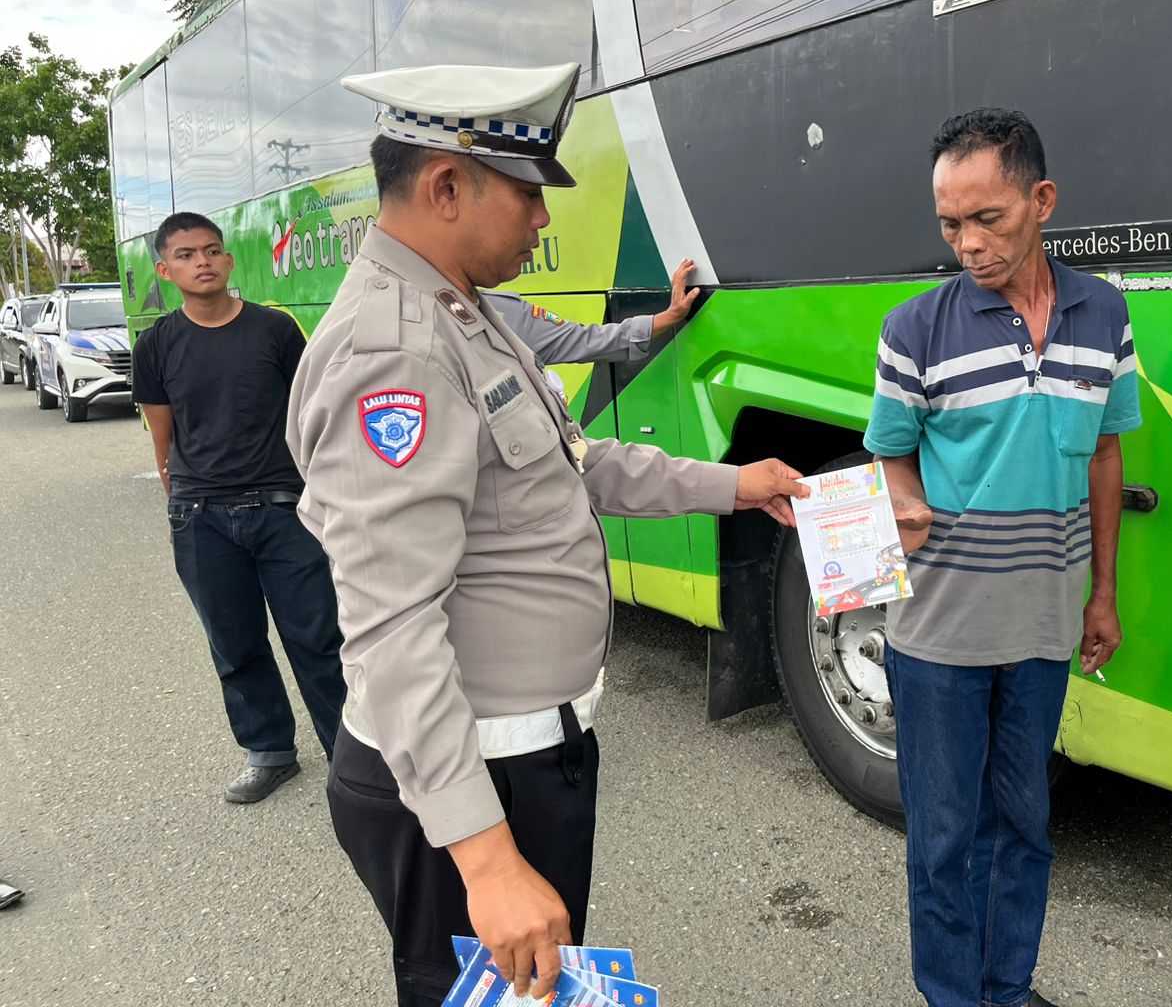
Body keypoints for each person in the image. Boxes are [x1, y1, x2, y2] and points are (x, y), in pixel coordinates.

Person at [286, 60, 807, 1006]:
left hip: (524, 757)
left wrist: (735, 484)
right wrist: (486, 860)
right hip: (477, 779)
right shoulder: (394, 351)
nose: (543, 219)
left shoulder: (465, 313)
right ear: (448, 186)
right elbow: (391, 625)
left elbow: (576, 463)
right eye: (529, 194)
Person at [864, 109, 1141, 1007]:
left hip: (1045, 625)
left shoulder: (1104, 313)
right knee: (944, 838)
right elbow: (890, 453)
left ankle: (1006, 988)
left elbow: (1105, 454)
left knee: (1023, 826)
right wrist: (903, 497)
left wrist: (1103, 594)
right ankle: (954, 996)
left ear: (1041, 200)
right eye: (951, 224)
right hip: (938, 630)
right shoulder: (913, 327)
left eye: (988, 218)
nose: (968, 244)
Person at [133, 214, 345, 805]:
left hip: (284, 511)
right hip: (201, 516)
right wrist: (178, 503)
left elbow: (311, 414)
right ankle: (269, 752)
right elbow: (163, 437)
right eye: (186, 255)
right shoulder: (155, 345)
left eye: (211, 250)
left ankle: (352, 757)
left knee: (319, 639)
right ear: (165, 270)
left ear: (228, 261)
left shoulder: (275, 330)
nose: (201, 261)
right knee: (234, 643)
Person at [484, 257, 700, 367]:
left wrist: (669, 316)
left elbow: (583, 340)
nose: (543, 220)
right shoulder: (495, 309)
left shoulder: (499, 310)